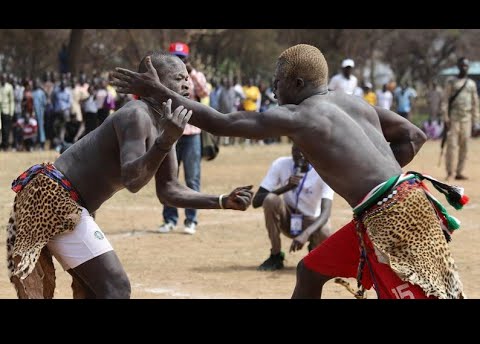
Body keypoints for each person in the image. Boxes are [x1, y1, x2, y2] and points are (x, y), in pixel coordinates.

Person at [112, 43, 468, 299]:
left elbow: (221, 122)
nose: (274, 88)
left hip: (393, 217)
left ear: (297, 84)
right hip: (396, 205)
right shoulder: (353, 103)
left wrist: (158, 91)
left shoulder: (300, 116)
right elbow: (414, 135)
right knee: (310, 271)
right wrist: (377, 175)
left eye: (278, 81)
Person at [7, 51, 253, 299]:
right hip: (54, 200)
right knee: (116, 288)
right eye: (179, 78)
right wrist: (165, 141)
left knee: (97, 291)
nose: (187, 84)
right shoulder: (136, 114)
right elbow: (133, 180)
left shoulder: (163, 123)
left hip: (66, 202)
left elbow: (169, 190)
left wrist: (222, 200)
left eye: (188, 78)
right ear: (153, 80)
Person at [253, 143, 333, 271]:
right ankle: (276, 255)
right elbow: (256, 202)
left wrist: (305, 234)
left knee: (325, 230)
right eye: (295, 150)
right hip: (288, 218)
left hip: (310, 222)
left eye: (303, 151)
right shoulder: (280, 164)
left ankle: (314, 253)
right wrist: (286, 188)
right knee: (270, 199)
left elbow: (326, 213)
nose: (299, 155)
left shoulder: (323, 171)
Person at [159, 42, 210, 235]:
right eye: (175, 58)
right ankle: (169, 219)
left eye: (182, 58)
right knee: (168, 179)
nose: (178, 62)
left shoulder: (195, 77)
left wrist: (192, 74)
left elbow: (204, 93)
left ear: (187, 60)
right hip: (170, 134)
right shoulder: (164, 78)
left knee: (192, 179)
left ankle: (191, 220)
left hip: (191, 134)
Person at [441, 57, 480, 181]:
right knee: (452, 146)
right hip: (454, 119)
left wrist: (476, 121)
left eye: (466, 65)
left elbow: (475, 104)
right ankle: (450, 172)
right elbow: (445, 101)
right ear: (458, 66)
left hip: (467, 120)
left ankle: (459, 171)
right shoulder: (451, 82)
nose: (464, 67)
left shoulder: (471, 84)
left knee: (465, 147)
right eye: (462, 65)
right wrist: (445, 117)